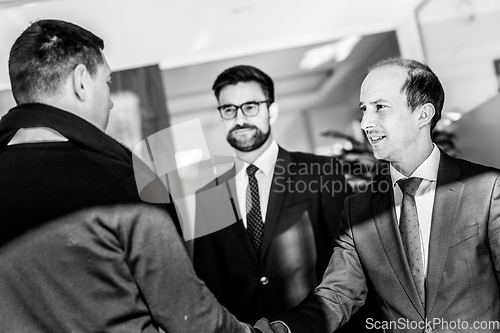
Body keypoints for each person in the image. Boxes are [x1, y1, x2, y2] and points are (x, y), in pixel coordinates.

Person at [0, 19, 256, 333]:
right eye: (107, 83)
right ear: (81, 82)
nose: (109, 101)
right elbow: (193, 321)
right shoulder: (119, 181)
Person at [254, 57, 500, 333]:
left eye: (380, 108)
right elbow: (337, 296)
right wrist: (278, 331)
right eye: (364, 109)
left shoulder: (487, 189)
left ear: (423, 114)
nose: (365, 123)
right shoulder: (358, 210)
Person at [191, 65, 376, 330]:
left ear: (271, 111)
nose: (239, 118)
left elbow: (353, 264)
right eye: (229, 109)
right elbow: (210, 290)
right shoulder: (209, 197)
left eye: (250, 107)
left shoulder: (320, 173)